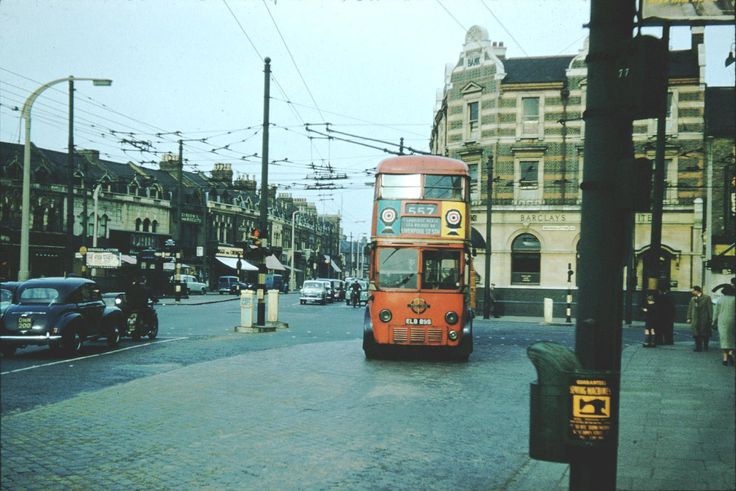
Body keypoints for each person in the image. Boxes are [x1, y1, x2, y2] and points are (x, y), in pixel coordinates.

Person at [713, 285, 735, 366]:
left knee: (723, 339)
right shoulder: (734, 299)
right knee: (732, 338)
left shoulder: (720, 299)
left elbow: (716, 312)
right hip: (733, 320)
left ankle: (725, 359)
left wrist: (713, 321)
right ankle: (730, 352)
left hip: (722, 321)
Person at [687, 285, 713, 352]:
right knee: (696, 333)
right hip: (695, 318)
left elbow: (710, 308)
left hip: (704, 318)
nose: (692, 292)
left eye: (693, 290)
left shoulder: (707, 298)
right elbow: (690, 308)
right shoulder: (692, 299)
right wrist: (689, 317)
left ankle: (705, 345)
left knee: (705, 333)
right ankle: (698, 347)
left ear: (697, 291)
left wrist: (710, 318)